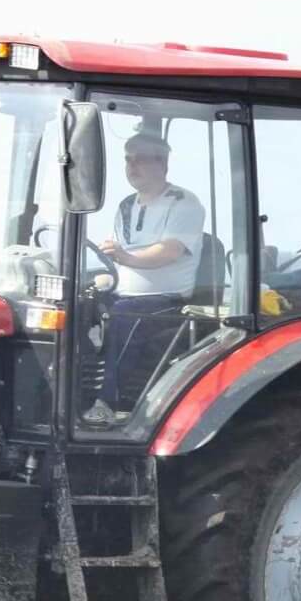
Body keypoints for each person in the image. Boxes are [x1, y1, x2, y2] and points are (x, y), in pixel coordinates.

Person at [84, 129, 205, 424]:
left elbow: (170, 250)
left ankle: (108, 404)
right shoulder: (126, 205)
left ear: (162, 164)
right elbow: (117, 252)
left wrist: (125, 258)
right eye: (128, 159)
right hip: (122, 291)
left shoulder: (184, 202)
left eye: (140, 159)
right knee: (74, 306)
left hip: (167, 299)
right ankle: (71, 394)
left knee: (124, 315)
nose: (132, 166)